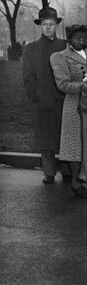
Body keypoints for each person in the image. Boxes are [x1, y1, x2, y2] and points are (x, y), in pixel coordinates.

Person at [22, 7, 70, 184]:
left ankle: (67, 169)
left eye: (51, 24)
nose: (48, 27)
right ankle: (49, 172)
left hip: (64, 99)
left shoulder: (65, 46)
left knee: (65, 135)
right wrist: (36, 95)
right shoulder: (32, 48)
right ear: (40, 26)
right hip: (43, 100)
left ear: (57, 25)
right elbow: (27, 76)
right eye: (45, 24)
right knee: (45, 138)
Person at [50, 24, 87, 198]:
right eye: (78, 38)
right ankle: (76, 181)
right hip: (75, 106)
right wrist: (83, 86)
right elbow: (63, 84)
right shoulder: (60, 57)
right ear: (69, 39)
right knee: (75, 145)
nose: (82, 41)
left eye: (85, 38)